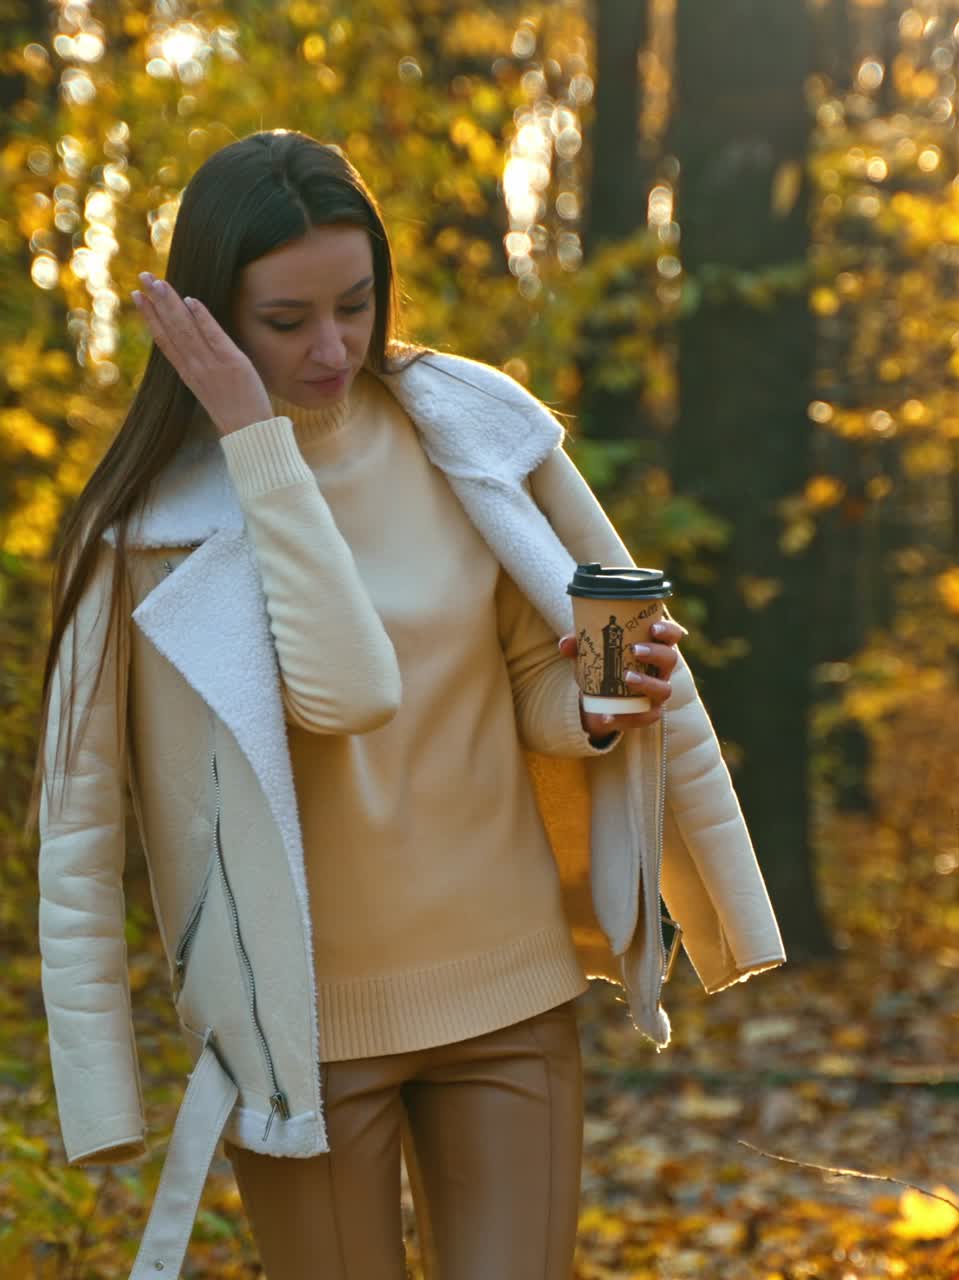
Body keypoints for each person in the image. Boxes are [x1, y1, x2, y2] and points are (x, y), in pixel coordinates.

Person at [31, 128, 786, 1280]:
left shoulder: (470, 429)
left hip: (510, 991)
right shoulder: (139, 527)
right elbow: (325, 702)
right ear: (210, 319)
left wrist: (595, 701)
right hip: (299, 1038)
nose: (332, 347)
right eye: (285, 321)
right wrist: (254, 439)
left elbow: (526, 674)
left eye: (356, 302)